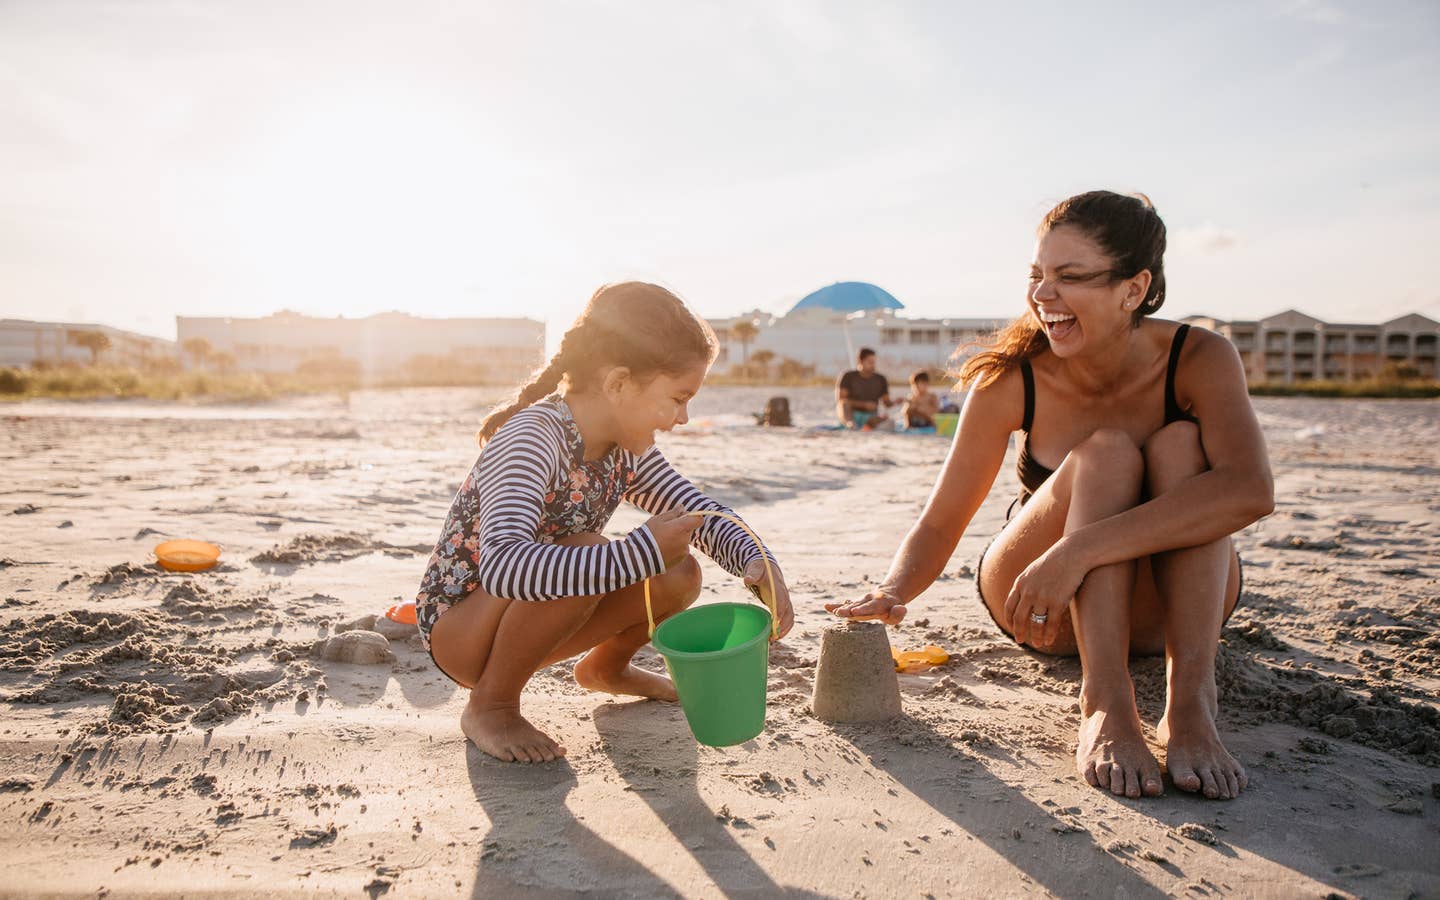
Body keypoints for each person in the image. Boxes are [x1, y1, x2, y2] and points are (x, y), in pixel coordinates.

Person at [827, 191, 1273, 801]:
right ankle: (1105, 704)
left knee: (1181, 449)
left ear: (1134, 288)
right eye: (1037, 275)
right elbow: (941, 521)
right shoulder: (1014, 376)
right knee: (1108, 453)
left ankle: (1191, 703)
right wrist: (893, 589)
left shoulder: (1198, 356)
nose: (1042, 295)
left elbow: (1249, 490)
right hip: (1045, 604)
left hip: (1167, 609)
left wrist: (1080, 551)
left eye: (1070, 277)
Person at [416, 282, 796, 764]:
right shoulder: (533, 437)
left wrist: (758, 562)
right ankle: (492, 703)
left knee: (678, 570)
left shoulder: (625, 448)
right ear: (618, 384)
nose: (683, 418)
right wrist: (637, 553)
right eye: (678, 398)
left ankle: (607, 668)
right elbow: (504, 567)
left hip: (533, 620)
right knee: (588, 550)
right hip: (462, 634)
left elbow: (698, 512)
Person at [835, 347, 897, 428]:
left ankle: (868, 426)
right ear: (860, 361)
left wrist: (896, 402)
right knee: (843, 405)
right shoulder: (848, 376)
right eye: (870, 362)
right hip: (850, 414)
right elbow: (841, 400)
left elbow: (887, 403)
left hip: (870, 416)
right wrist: (864, 405)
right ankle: (851, 425)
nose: (873, 365)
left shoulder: (881, 379)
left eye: (874, 362)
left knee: (888, 421)